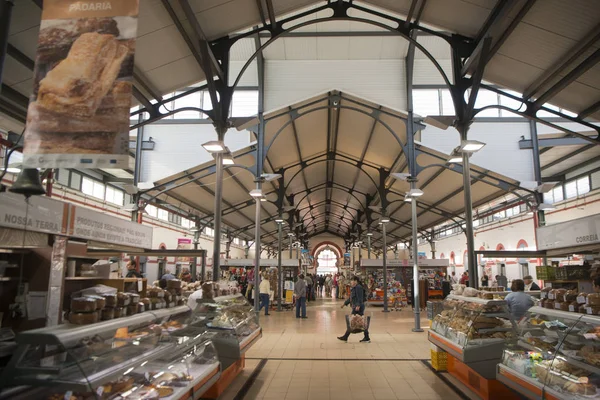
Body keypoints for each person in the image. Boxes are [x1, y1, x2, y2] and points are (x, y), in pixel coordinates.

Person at [338, 276, 370, 343]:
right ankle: (366, 337)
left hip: (358, 307)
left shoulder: (358, 287)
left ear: (356, 281)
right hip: (356, 306)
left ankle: (346, 336)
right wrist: (344, 304)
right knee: (358, 321)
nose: (351, 282)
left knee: (354, 321)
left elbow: (360, 298)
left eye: (352, 281)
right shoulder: (354, 288)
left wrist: (358, 305)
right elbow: (351, 298)